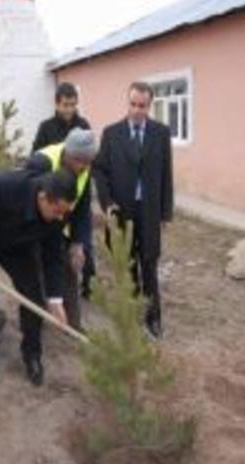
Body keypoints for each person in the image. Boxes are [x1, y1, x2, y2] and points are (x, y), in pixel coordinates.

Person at [0, 168, 77, 386]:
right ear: (42, 197)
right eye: (57, 211)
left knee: (32, 297)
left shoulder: (60, 211)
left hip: (16, 246)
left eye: (64, 212)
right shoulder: (3, 186)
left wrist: (56, 298)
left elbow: (53, 256)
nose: (61, 217)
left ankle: (32, 354)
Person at [92, 81, 174, 339]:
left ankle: (153, 318)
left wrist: (164, 213)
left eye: (143, 106)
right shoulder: (111, 133)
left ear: (150, 105)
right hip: (121, 213)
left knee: (149, 265)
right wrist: (107, 204)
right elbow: (100, 170)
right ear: (127, 103)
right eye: (133, 104)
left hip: (149, 212)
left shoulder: (160, 133)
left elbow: (166, 174)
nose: (137, 110)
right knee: (127, 267)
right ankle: (131, 315)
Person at [24, 128, 97, 331]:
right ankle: (37, 324)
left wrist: (78, 243)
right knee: (36, 273)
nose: (83, 167)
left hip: (59, 229)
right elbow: (27, 202)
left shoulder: (84, 169)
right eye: (79, 161)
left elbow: (82, 209)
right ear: (67, 153)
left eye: (88, 162)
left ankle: (72, 326)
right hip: (35, 230)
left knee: (70, 271)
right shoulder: (41, 163)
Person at [31, 82, 96, 299]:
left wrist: (79, 241)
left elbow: (84, 190)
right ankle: (47, 296)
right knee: (50, 256)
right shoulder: (46, 128)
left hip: (74, 204)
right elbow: (35, 169)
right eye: (66, 105)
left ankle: (84, 288)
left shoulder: (84, 126)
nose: (69, 109)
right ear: (57, 104)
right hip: (52, 202)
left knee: (81, 252)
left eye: (73, 105)